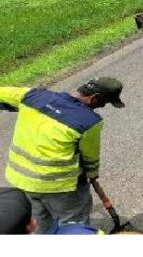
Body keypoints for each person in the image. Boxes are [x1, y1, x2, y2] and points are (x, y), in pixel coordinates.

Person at [0, 77, 125, 233]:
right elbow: (90, 157)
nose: (103, 106)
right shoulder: (89, 121)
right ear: (95, 98)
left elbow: (2, 94)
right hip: (58, 186)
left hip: (22, 179)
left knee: (39, 221)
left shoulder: (33, 95)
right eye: (105, 102)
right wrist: (92, 175)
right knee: (73, 224)